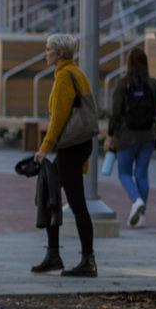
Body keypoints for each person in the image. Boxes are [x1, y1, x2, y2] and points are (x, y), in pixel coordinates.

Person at [30, 34, 98, 278]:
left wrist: (43, 150)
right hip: (79, 146)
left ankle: (86, 260)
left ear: (59, 53)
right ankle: (55, 255)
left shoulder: (63, 77)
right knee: (52, 195)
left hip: (70, 148)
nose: (45, 53)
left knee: (75, 203)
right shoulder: (77, 72)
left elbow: (58, 120)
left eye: (48, 49)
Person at [105, 49, 156, 228]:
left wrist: (110, 135)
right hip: (148, 135)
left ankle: (136, 201)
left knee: (124, 173)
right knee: (141, 174)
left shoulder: (123, 84)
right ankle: (140, 217)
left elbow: (115, 113)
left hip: (127, 136)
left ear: (128, 64)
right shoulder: (153, 84)